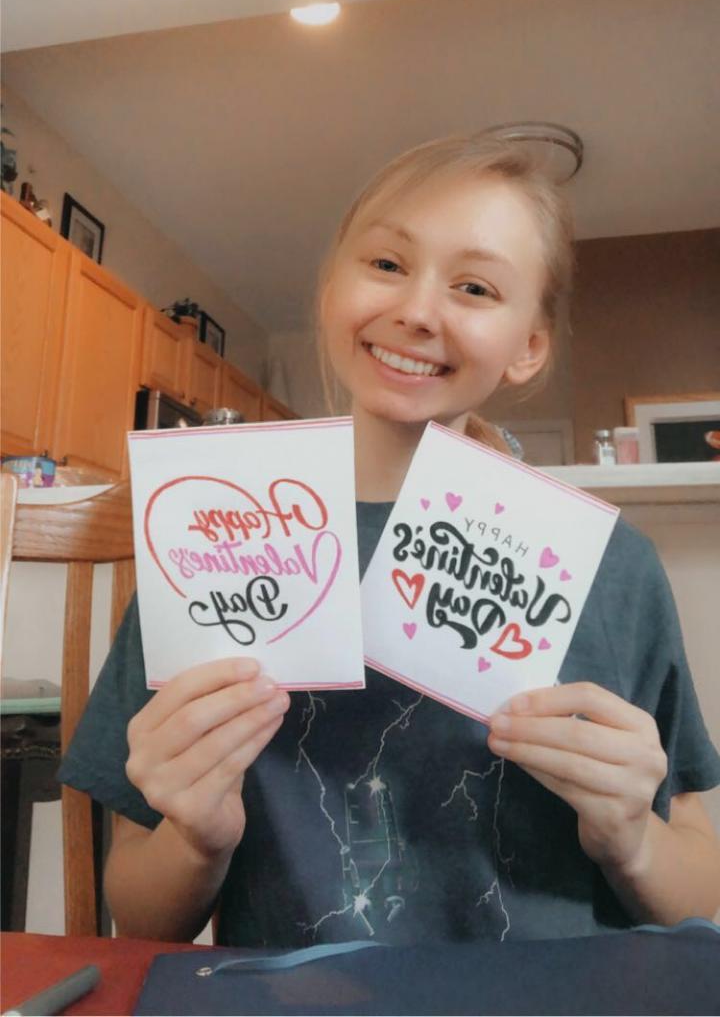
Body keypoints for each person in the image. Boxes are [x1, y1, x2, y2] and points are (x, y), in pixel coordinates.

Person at [59, 135, 720, 945]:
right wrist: (196, 839)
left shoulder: (615, 569)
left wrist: (633, 837)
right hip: (290, 996)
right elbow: (139, 909)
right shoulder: (207, 546)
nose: (417, 310)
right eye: (386, 264)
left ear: (529, 347)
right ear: (330, 290)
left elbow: (697, 890)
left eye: (474, 287)